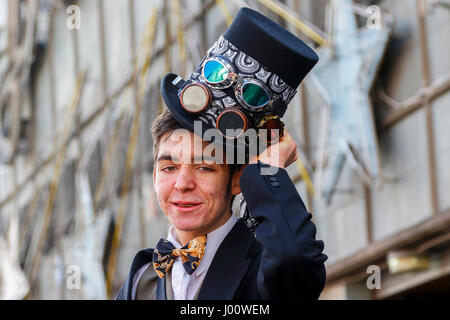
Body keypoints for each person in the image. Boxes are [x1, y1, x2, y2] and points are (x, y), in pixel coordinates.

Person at [116, 7, 327, 300]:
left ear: (238, 179)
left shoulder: (263, 266)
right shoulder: (140, 279)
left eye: (204, 167)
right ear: (154, 175)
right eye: (169, 168)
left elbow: (296, 262)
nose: (182, 183)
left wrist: (267, 170)